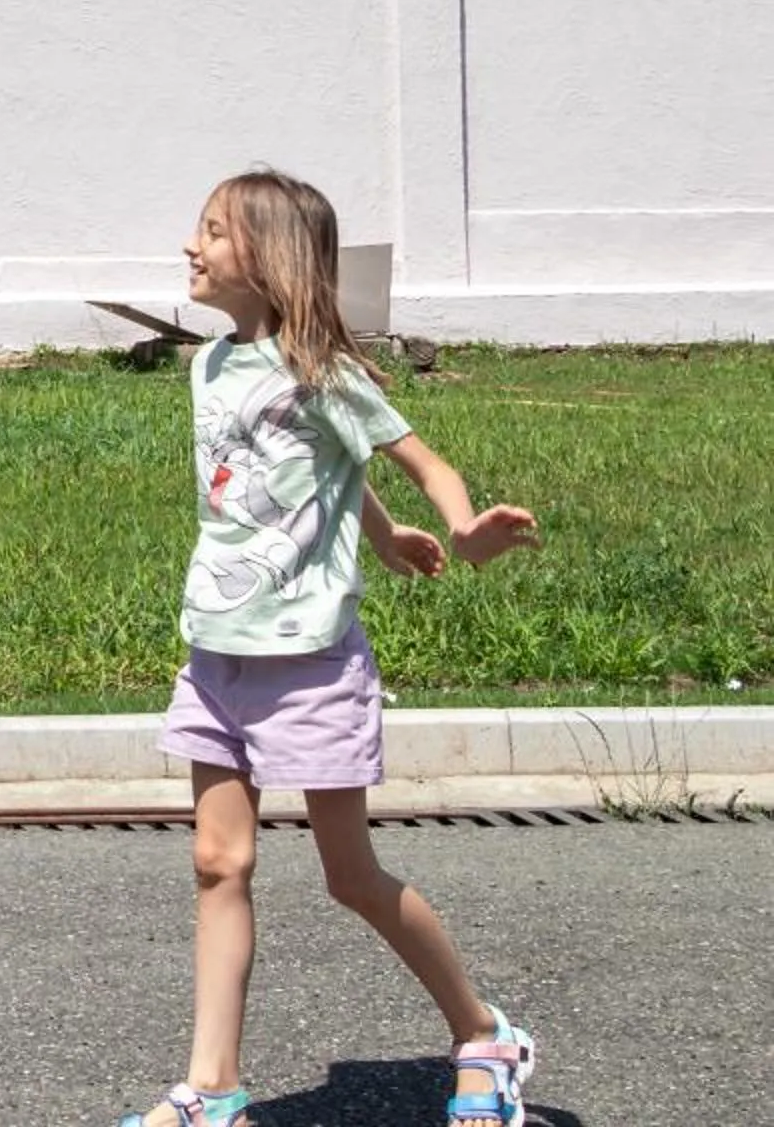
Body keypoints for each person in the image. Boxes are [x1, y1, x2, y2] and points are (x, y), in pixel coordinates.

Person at [116, 169, 544, 1127]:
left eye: (214, 233)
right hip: (218, 652)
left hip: (309, 660)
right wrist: (380, 536)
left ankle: (483, 1034)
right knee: (217, 864)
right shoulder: (211, 367)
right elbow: (300, 468)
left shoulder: (328, 372)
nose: (193, 247)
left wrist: (462, 530)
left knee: (349, 876)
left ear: (267, 258)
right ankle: (212, 1088)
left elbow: (420, 461)